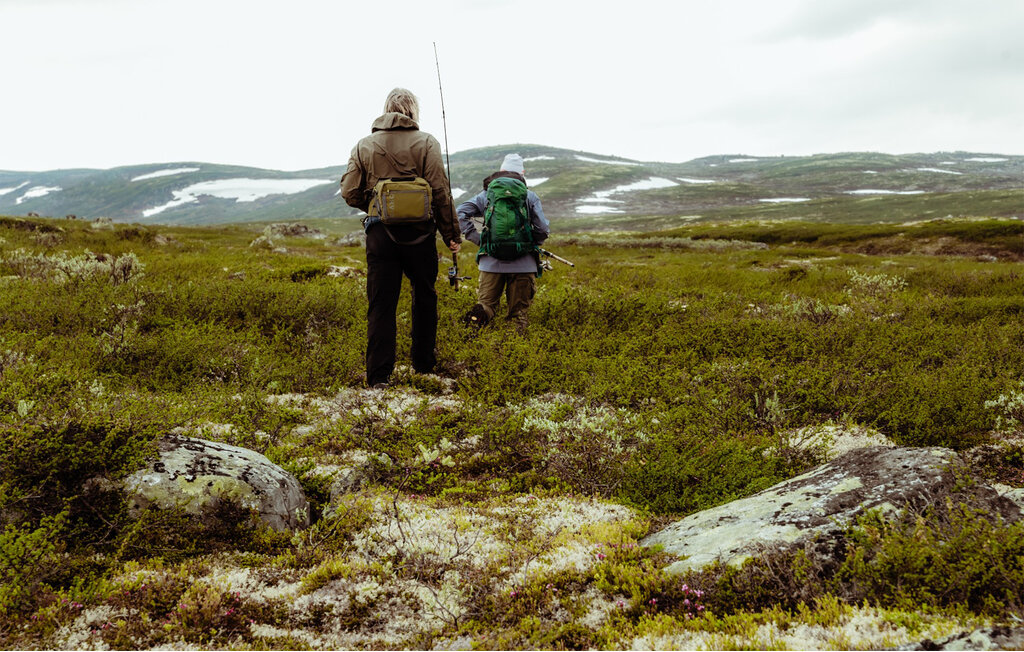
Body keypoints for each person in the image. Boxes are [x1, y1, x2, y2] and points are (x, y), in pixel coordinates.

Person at [340, 87, 461, 387]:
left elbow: (349, 191)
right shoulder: (427, 143)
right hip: (421, 234)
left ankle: (379, 377)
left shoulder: (364, 145)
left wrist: (373, 204)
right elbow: (441, 192)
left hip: (381, 233)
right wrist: (451, 233)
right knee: (425, 297)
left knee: (381, 303)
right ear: (412, 111)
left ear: (386, 109)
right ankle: (423, 366)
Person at [457, 153, 549, 330]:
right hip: (524, 264)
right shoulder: (530, 196)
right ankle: (514, 352)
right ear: (522, 173)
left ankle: (475, 329)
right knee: (519, 314)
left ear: (501, 171)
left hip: (491, 263)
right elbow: (543, 229)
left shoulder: (485, 195)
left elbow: (460, 213)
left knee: (486, 306)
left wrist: (480, 239)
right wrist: (532, 243)